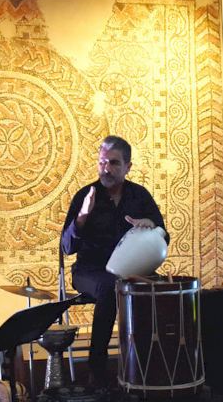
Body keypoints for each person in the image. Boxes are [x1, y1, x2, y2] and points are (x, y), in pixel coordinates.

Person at [61, 135, 167, 387]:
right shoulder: (85, 195)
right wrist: (83, 215)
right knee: (111, 287)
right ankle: (96, 369)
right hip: (90, 271)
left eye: (113, 163)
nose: (106, 168)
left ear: (128, 166)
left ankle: (153, 365)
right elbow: (66, 247)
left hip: (130, 271)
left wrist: (151, 225)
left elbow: (164, 235)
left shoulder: (139, 196)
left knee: (163, 287)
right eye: (102, 162)